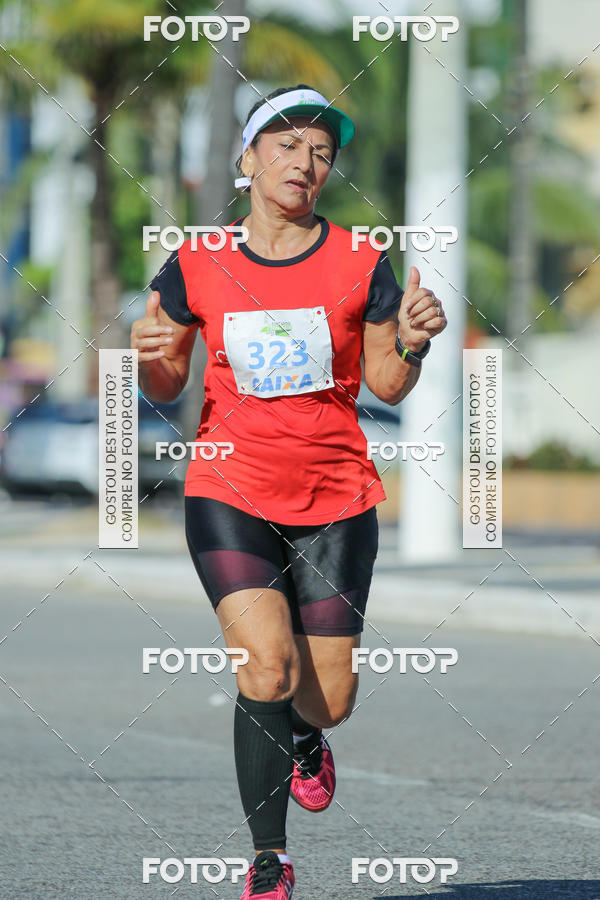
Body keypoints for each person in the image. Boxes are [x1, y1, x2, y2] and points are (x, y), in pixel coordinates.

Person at [131, 84, 447, 899]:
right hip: (228, 485)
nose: (305, 162)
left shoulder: (359, 260)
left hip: (337, 496)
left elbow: (385, 380)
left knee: (327, 697)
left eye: (320, 152)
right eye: (286, 144)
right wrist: (149, 354)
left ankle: (307, 738)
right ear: (246, 159)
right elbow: (166, 383)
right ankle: (267, 862)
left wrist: (410, 344)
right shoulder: (197, 260)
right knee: (262, 670)